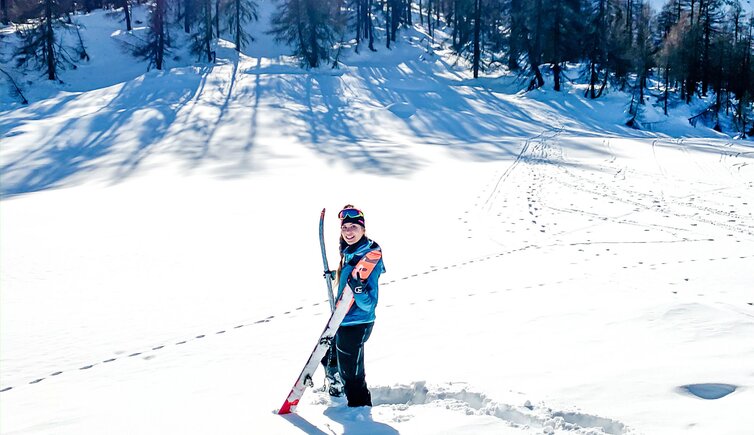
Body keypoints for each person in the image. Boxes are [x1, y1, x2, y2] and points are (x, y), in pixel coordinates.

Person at [321, 205, 385, 407]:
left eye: (353, 227)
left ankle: (360, 413)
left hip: (358, 322)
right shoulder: (350, 251)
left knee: (353, 376)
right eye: (345, 227)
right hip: (342, 318)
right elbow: (348, 277)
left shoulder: (369, 256)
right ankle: (336, 386)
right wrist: (336, 276)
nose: (348, 231)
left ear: (363, 229)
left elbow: (369, 305)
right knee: (327, 354)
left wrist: (358, 290)